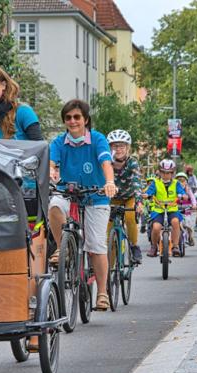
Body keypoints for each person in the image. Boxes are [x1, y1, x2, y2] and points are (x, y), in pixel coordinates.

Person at [49, 99, 116, 311]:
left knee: (96, 246)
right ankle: (65, 247)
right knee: (54, 206)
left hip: (95, 196)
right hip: (69, 194)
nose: (72, 121)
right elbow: (51, 163)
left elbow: (106, 162)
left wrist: (110, 183)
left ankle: (102, 292)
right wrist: (50, 171)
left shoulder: (97, 139)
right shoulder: (59, 142)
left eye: (77, 117)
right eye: (68, 118)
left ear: (85, 120)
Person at [106, 129, 144, 263]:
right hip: (112, 199)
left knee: (130, 217)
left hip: (129, 197)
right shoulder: (106, 163)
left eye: (122, 145)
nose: (119, 149)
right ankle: (108, 271)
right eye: (115, 146)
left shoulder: (132, 162)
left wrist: (139, 202)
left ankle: (134, 246)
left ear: (127, 147)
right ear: (109, 147)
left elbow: (137, 182)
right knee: (108, 228)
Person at [145, 159, 186, 258]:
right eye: (163, 172)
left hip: (172, 208)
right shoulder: (155, 182)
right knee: (156, 227)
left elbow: (182, 193)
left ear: (172, 173)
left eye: (168, 173)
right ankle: (154, 247)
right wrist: (146, 195)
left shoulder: (176, 183)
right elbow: (149, 191)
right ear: (159, 172)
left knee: (176, 222)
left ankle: (175, 246)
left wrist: (183, 196)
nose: (165, 175)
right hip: (159, 209)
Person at [176, 171, 196, 246]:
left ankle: (190, 237)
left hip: (187, 210)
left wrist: (194, 205)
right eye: (179, 181)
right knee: (175, 224)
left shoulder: (188, 190)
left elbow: (193, 198)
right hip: (176, 210)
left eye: (183, 181)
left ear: (186, 182)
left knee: (188, 224)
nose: (181, 183)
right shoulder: (174, 190)